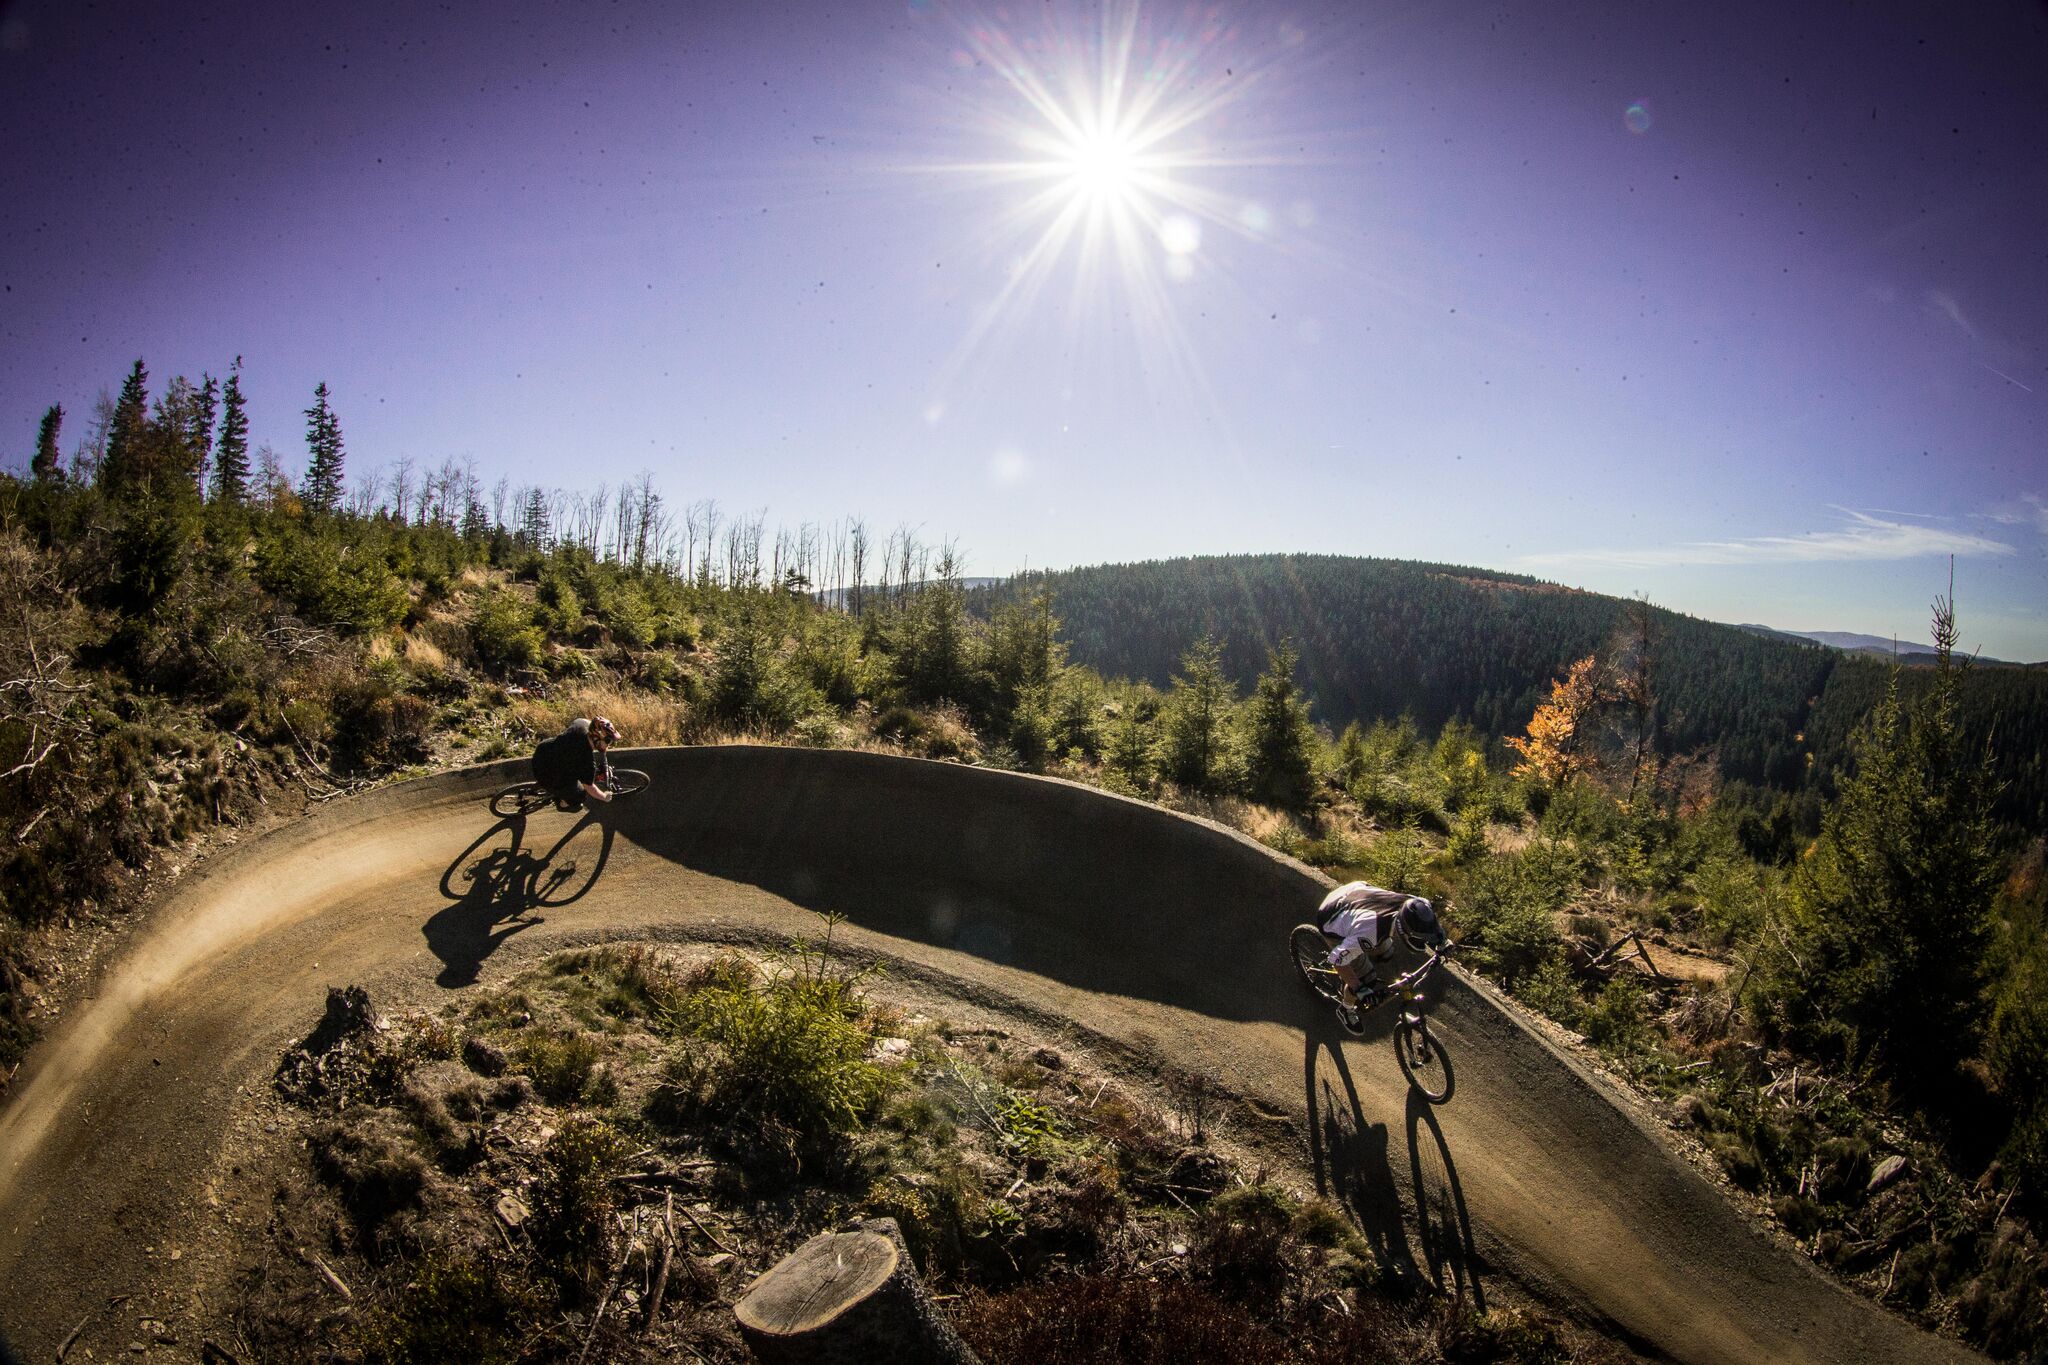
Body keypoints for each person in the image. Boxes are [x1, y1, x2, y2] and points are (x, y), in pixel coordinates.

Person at [1317, 881, 1444, 1034]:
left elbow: (1431, 926)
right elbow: (1337, 959)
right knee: (1367, 979)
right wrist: (1360, 988)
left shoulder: (1417, 905)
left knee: (1386, 950)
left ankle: (1364, 958)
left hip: (1353, 893)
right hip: (1330, 917)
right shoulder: (1370, 932)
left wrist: (1442, 941)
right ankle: (1346, 1008)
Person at [530, 716, 621, 811]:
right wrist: (604, 796)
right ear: (596, 737)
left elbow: (582, 720)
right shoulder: (586, 760)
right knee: (580, 796)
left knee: (567, 764)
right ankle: (562, 803)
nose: (609, 745)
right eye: (608, 741)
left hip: (543, 750)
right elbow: (590, 788)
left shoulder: (580, 726)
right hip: (544, 771)